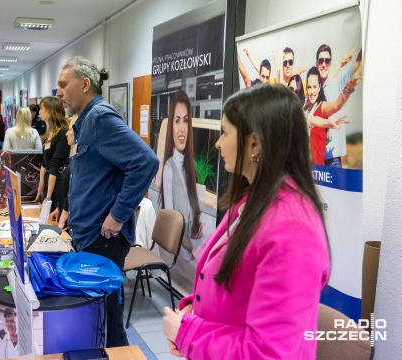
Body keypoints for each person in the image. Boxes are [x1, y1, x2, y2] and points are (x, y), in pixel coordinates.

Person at [162, 84, 330, 359]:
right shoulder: (254, 199)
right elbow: (232, 288)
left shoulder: (293, 229)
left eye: (225, 133)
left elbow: (268, 353)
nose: (217, 143)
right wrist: (192, 312)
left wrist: (189, 333)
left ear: (253, 143)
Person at [57, 56, 158, 347]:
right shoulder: (85, 121)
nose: (59, 92)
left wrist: (118, 215)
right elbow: (90, 176)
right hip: (87, 236)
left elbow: (146, 162)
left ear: (85, 84)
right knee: (96, 321)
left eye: (64, 85)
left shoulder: (100, 117)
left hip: (103, 241)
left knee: (110, 324)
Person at [160, 90, 203, 254]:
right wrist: (186, 242)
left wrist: (197, 226)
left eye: (186, 121)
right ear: (171, 125)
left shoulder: (189, 167)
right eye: (177, 121)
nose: (182, 129)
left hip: (190, 245)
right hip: (179, 250)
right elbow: (171, 217)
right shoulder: (170, 167)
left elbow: (191, 207)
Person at [304, 66, 358, 165]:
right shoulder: (305, 109)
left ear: (319, 87)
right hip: (307, 167)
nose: (312, 91)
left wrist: (348, 89)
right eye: (309, 87)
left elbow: (337, 104)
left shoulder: (322, 106)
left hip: (321, 168)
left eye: (314, 87)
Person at [35, 96, 70, 212]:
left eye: (41, 109)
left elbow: (54, 166)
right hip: (48, 184)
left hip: (58, 186)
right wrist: (40, 190)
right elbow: (44, 164)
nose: (39, 111)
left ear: (49, 112)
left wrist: (48, 198)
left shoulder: (63, 134)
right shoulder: (49, 133)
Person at [49, 115, 78, 230]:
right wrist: (59, 208)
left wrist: (65, 211)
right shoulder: (73, 156)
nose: (66, 133)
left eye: (70, 130)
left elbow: (75, 190)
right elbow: (67, 191)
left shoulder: (80, 159)